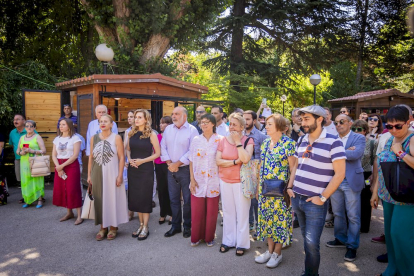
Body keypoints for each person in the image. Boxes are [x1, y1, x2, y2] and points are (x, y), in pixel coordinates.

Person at [286, 105, 346, 276]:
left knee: (312, 243)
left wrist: (323, 197)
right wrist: (290, 187)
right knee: (306, 240)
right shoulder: (301, 139)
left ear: (320, 119)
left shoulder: (334, 142)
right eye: (301, 119)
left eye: (306, 119)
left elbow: (340, 174)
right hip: (297, 197)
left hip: (315, 202)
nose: (302, 122)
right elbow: (296, 165)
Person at [370, 106, 414, 276]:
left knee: (401, 235)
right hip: (387, 195)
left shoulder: (411, 138)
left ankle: (408, 272)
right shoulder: (388, 138)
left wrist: (401, 153)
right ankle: (392, 269)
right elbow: (382, 167)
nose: (393, 130)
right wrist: (375, 192)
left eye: (398, 126)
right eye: (390, 126)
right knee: (390, 235)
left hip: (407, 197)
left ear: (408, 122)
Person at [254, 114, 296, 268]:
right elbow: (261, 168)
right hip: (265, 189)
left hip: (282, 191)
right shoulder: (265, 143)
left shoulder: (289, 144)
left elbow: (293, 169)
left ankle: (278, 253)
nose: (266, 126)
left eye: (270, 124)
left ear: (279, 126)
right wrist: (259, 188)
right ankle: (270, 251)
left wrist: (290, 188)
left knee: (280, 222)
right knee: (267, 221)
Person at [326, 114, 365, 262]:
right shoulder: (332, 138)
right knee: (337, 213)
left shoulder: (359, 137)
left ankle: (352, 246)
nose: (338, 125)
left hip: (351, 180)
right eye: (336, 123)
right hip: (335, 180)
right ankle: (340, 239)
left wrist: (336, 152)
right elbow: (327, 155)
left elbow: (356, 154)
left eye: (341, 122)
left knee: (353, 215)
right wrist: (346, 151)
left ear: (350, 123)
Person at [216, 113, 254, 256]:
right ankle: (228, 240)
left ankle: (242, 243)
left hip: (241, 183)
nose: (231, 127)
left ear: (242, 127)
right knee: (228, 212)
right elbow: (218, 161)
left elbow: (245, 158)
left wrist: (238, 142)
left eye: (234, 125)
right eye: (230, 124)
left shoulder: (248, 141)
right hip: (225, 181)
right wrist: (233, 162)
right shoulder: (223, 141)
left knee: (242, 213)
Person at [87, 114, 128, 241]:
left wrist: (120, 175)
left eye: (105, 121)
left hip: (113, 173)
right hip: (97, 172)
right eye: (100, 121)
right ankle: (103, 227)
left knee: (112, 198)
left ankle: (113, 227)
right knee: (99, 199)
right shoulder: (94, 138)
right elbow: (91, 157)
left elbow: (121, 158)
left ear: (111, 124)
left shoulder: (116, 138)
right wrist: (89, 175)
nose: (102, 123)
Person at [161, 106, 198, 238]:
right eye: (173, 114)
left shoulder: (192, 130)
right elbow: (163, 147)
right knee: (174, 199)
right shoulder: (168, 130)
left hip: (186, 170)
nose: (174, 116)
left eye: (177, 114)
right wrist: (170, 164)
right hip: (171, 169)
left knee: (187, 200)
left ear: (184, 116)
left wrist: (178, 163)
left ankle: (187, 226)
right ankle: (175, 226)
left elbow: (193, 150)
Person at [127, 109, 160, 241]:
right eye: (135, 117)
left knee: (144, 197)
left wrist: (142, 161)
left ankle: (145, 227)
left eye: (140, 117)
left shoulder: (151, 134)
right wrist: (129, 160)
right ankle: (140, 225)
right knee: (136, 198)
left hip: (145, 169)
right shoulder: (131, 133)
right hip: (133, 169)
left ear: (146, 119)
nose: (136, 119)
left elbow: (157, 154)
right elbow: (127, 150)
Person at [189, 114, 221, 247]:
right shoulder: (196, 139)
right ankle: (196, 237)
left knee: (212, 213)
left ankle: (209, 238)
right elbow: (191, 160)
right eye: (202, 122)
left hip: (214, 181)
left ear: (213, 124)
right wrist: (192, 179)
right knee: (197, 212)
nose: (204, 125)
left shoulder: (220, 140)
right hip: (198, 180)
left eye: (207, 122)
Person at [52, 118, 83, 225]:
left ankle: (79, 215)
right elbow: (53, 155)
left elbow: (75, 155)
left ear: (69, 126)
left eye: (63, 124)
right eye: (60, 124)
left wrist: (62, 166)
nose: (61, 126)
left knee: (73, 189)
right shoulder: (57, 139)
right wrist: (58, 167)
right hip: (59, 164)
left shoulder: (75, 139)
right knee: (63, 188)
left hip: (71, 165)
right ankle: (69, 212)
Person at [242, 110, 267, 236]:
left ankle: (258, 226)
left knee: (256, 201)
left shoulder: (260, 136)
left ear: (254, 121)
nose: (245, 121)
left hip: (256, 171)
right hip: (242, 171)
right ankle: (249, 224)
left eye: (248, 119)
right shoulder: (239, 135)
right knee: (246, 200)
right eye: (243, 119)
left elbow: (265, 154)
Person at [351, 119, 378, 233]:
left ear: (365, 131)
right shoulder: (349, 142)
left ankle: (364, 226)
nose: (356, 131)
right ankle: (352, 226)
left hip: (366, 174)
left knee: (365, 201)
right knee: (352, 201)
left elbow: (375, 160)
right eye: (354, 129)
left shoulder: (372, 143)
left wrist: (373, 176)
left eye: (359, 129)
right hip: (352, 173)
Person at [16, 120, 47, 208]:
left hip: (35, 161)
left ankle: (40, 200)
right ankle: (28, 200)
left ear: (34, 128)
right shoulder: (22, 138)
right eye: (27, 126)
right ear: (25, 127)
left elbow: (43, 150)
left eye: (31, 126)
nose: (29, 128)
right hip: (24, 162)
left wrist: (32, 151)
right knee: (26, 180)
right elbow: (17, 150)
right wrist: (20, 153)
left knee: (36, 179)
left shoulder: (37, 137)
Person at [9, 114, 38, 203]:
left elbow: (38, 144)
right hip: (19, 159)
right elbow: (12, 145)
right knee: (21, 178)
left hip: (30, 158)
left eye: (18, 119)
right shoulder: (12, 132)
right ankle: (25, 196)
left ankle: (37, 196)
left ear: (24, 121)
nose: (15, 121)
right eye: (14, 119)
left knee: (33, 177)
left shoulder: (31, 131)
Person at [155, 116, 173, 225]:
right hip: (158, 164)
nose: (161, 125)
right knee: (161, 190)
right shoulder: (157, 136)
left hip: (169, 164)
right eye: (160, 123)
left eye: (164, 123)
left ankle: (171, 213)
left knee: (170, 190)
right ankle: (162, 213)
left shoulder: (172, 136)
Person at [123, 110, 135, 219]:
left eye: (131, 116)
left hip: (139, 159)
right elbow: (125, 147)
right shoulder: (127, 131)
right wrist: (125, 161)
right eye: (128, 117)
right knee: (129, 187)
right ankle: (130, 210)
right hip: (128, 161)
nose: (129, 119)